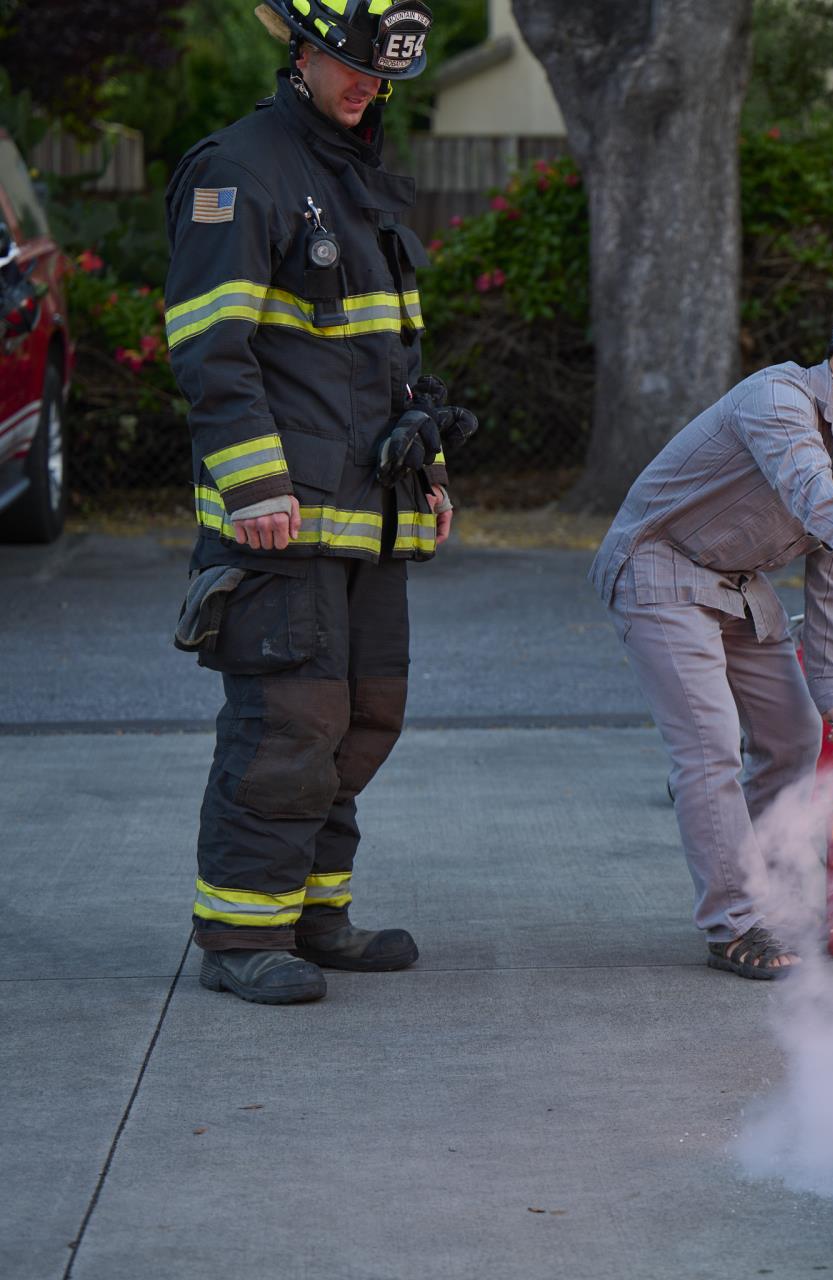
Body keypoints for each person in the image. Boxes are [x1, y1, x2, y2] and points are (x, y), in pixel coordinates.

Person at [165, 0, 473, 1004]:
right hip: (283, 519)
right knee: (287, 724)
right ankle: (238, 936)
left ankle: (312, 915)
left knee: (364, 718)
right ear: (298, 51)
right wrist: (250, 485)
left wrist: (426, 468)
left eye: (378, 73)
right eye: (347, 64)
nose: (364, 85)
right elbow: (215, 351)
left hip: (366, 519)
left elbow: (392, 363)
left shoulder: (360, 178)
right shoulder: (240, 171)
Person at [590, 284, 833, 979]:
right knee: (710, 746)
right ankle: (735, 926)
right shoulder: (775, 400)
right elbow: (810, 493)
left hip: (737, 584)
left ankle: (765, 892)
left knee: (797, 735)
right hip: (661, 566)